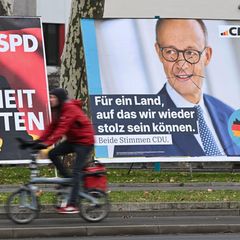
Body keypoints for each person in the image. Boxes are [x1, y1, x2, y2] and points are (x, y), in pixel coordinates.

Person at [113, 19, 240, 157]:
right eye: (170, 52)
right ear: (159, 53)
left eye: (191, 53)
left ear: (207, 56)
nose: (181, 64)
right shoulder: (136, 130)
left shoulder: (230, 117)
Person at [34, 88, 95, 214]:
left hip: (85, 142)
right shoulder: (59, 110)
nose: (50, 99)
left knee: (77, 171)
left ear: (60, 99)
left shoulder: (69, 109)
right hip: (74, 140)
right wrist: (38, 141)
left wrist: (46, 144)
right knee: (53, 153)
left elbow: (61, 129)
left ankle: (73, 205)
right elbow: (52, 127)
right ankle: (68, 179)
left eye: (53, 97)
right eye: (50, 97)